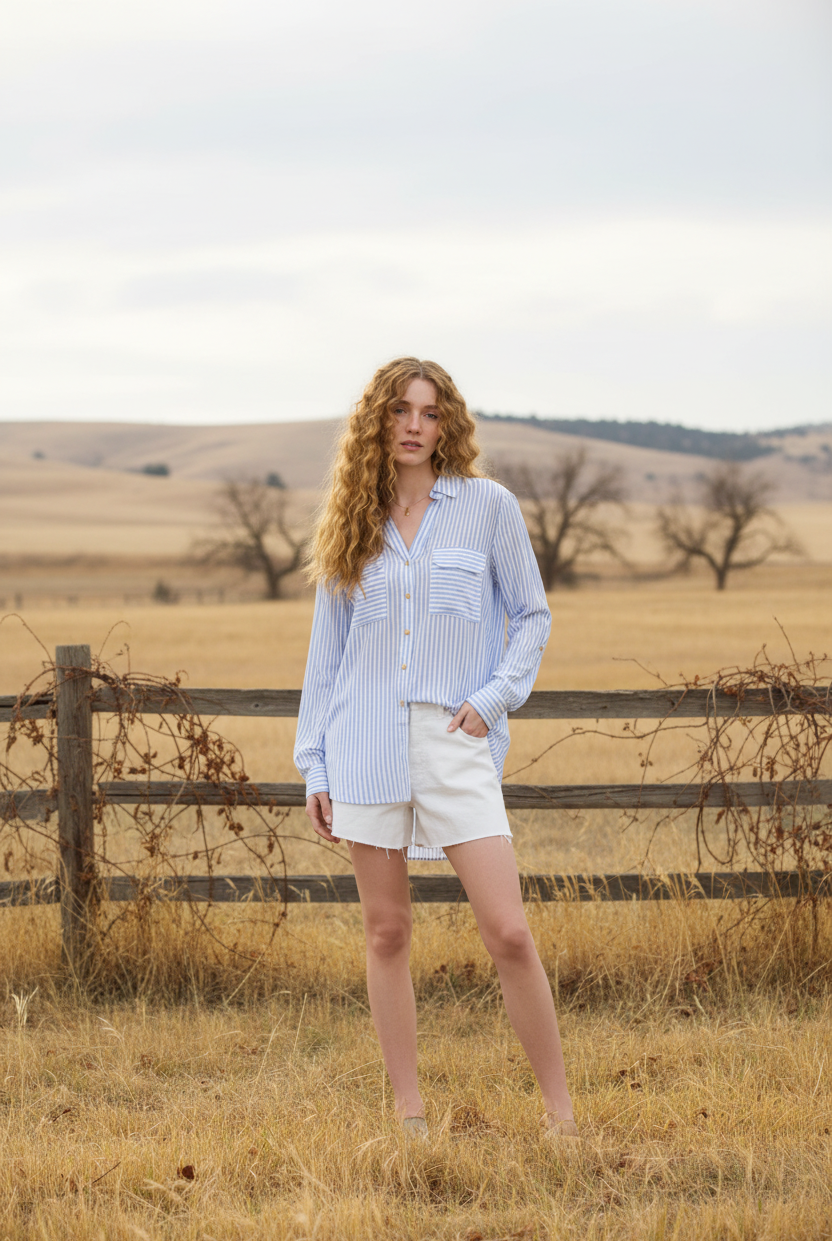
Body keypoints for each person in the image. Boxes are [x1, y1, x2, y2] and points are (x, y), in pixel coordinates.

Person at [294, 357, 577, 1140]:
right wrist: (314, 764)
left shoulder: (487, 507)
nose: (414, 425)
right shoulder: (352, 520)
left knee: (508, 930)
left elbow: (533, 615)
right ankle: (411, 1117)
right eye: (399, 410)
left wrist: (494, 698)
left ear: (446, 422)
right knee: (386, 931)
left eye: (428, 411)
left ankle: (561, 1118)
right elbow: (327, 658)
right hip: (363, 744)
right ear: (377, 422)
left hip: (454, 740)